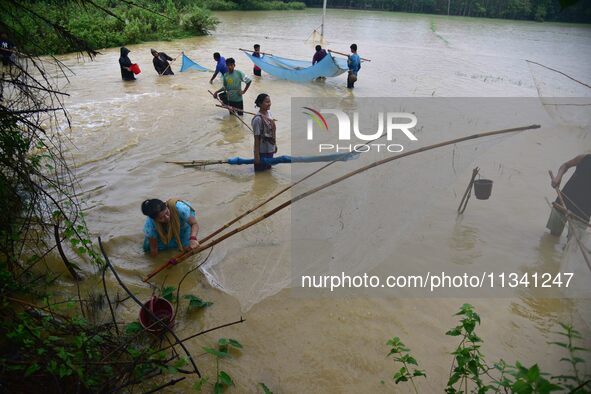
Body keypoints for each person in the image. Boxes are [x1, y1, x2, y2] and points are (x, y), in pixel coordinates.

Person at [550, 154, 591, 226]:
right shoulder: (585, 158)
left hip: (584, 210)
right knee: (553, 234)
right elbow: (565, 165)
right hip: (564, 200)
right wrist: (558, 178)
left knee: (575, 237)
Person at [251, 93, 277, 172]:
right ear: (260, 104)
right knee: (260, 174)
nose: (269, 104)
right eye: (266, 102)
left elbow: (272, 131)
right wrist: (257, 156)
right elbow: (257, 138)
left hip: (270, 149)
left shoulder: (269, 114)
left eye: (269, 101)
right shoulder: (257, 119)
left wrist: (275, 145)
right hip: (262, 152)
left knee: (268, 173)